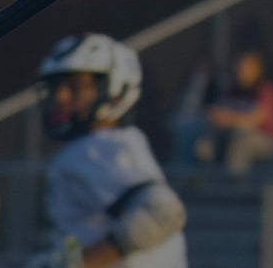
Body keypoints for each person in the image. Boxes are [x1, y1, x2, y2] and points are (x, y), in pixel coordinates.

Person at [37, 33, 188, 268]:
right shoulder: (107, 143)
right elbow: (81, 233)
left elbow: (161, 213)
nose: (60, 96)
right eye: (57, 85)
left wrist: (78, 264)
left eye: (75, 86)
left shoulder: (97, 147)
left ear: (115, 87)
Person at [196, 50, 273, 176]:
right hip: (232, 133)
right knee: (203, 132)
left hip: (267, 141)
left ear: (257, 69)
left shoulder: (265, 90)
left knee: (240, 135)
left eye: (246, 67)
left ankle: (235, 182)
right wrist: (217, 117)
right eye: (240, 67)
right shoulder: (233, 89)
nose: (241, 71)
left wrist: (229, 118)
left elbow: (254, 119)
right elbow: (221, 112)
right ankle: (199, 177)